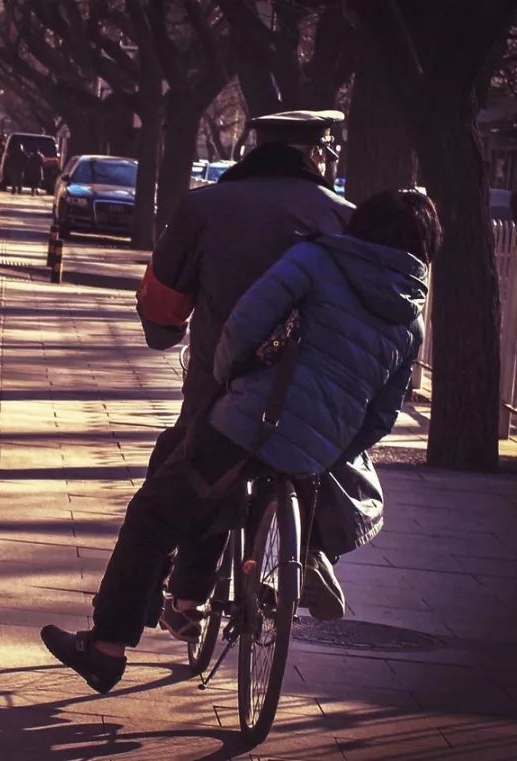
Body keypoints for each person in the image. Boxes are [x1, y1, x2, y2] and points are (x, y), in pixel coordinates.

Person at [41, 189, 443, 695]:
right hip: (316, 454)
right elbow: (384, 413)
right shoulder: (412, 315)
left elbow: (246, 324)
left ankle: (106, 649)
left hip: (252, 421)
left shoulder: (317, 258)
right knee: (226, 484)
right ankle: (290, 563)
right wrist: (334, 446)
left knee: (157, 512)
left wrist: (228, 381)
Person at [128, 111, 360, 636]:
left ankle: (183, 598)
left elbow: (163, 306)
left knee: (192, 468)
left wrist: (166, 332)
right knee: (304, 459)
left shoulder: (205, 206)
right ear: (315, 154)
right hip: (308, 395)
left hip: (219, 383)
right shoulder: (344, 219)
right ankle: (308, 551)